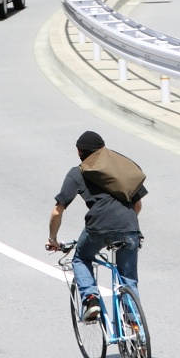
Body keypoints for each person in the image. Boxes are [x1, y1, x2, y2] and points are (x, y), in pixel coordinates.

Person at [46, 131, 147, 321]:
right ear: (102, 149)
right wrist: (125, 226)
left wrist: (53, 239)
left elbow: (58, 210)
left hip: (98, 227)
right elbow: (137, 205)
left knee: (81, 258)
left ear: (79, 152)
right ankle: (135, 327)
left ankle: (91, 299)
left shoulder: (78, 173)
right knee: (129, 279)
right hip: (130, 227)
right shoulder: (121, 168)